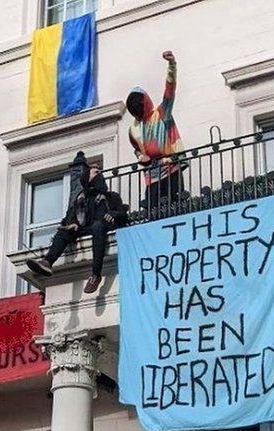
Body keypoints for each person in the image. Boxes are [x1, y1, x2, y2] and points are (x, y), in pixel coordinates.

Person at [26, 152, 128, 294]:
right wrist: (73, 223)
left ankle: (95, 275)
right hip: (86, 228)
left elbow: (123, 215)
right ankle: (47, 262)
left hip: (103, 226)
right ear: (87, 178)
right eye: (96, 173)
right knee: (64, 231)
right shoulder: (80, 199)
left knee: (98, 226)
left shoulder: (111, 197)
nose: (100, 175)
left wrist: (113, 214)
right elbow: (70, 217)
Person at [126, 50, 185, 217]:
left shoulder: (161, 113)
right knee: (152, 212)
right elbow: (136, 148)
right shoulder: (134, 128)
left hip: (171, 166)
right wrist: (139, 157)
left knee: (176, 207)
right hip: (151, 175)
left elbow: (170, 89)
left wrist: (172, 65)